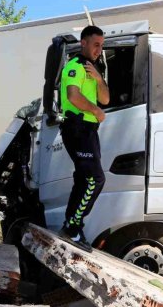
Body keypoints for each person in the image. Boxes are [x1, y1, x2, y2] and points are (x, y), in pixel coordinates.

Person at [58, 25, 109, 252]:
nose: (99, 50)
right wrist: (96, 112)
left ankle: (71, 224)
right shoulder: (75, 66)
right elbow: (72, 96)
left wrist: (99, 79)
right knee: (95, 179)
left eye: (102, 45)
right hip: (77, 127)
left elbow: (106, 99)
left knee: (83, 178)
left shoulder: (93, 70)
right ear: (84, 43)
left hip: (89, 131)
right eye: (96, 44)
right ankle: (73, 227)